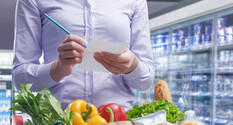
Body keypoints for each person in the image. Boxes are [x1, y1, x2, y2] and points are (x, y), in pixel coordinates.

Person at [12, 0, 154, 110]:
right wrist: (57, 70)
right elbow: (19, 78)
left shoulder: (135, 2)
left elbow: (145, 81)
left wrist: (132, 66)